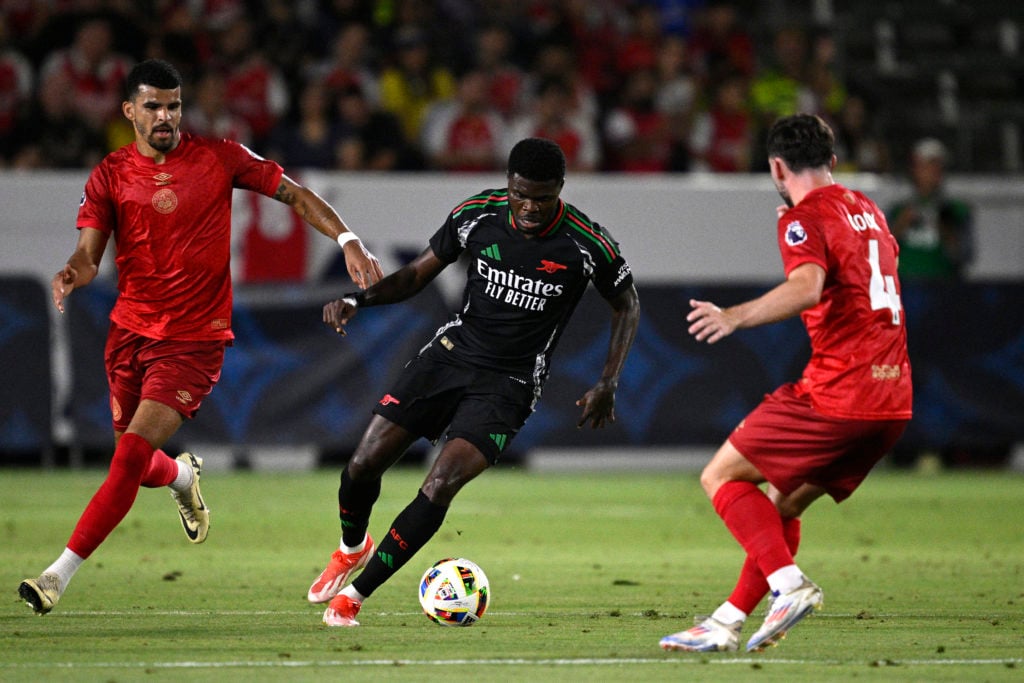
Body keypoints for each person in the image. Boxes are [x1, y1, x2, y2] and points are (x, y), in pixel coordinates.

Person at [18, 59, 383, 616]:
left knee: (129, 456)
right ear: (129, 111)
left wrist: (349, 239)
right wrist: (73, 271)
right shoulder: (111, 173)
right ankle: (182, 475)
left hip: (194, 338)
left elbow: (295, 195)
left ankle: (56, 575)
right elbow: (90, 254)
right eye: (153, 106)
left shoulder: (219, 156)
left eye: (174, 106)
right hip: (129, 333)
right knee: (135, 465)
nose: (165, 116)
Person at [308, 137, 641, 627]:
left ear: (560, 191)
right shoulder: (478, 214)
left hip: (509, 384)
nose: (528, 208)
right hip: (449, 357)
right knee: (361, 465)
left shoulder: (586, 242)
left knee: (440, 483)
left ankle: (354, 596)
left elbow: (627, 302)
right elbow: (418, 273)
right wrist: (360, 301)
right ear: (508, 184)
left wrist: (609, 380)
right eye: (520, 195)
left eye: (541, 199)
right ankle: (352, 547)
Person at [659, 114, 912, 653]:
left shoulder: (802, 220)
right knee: (782, 504)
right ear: (833, 163)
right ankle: (726, 623)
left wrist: (733, 316)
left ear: (776, 166)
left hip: (840, 392)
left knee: (720, 476)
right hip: (892, 401)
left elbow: (807, 288)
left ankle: (789, 585)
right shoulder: (866, 208)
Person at [887, 138, 973, 280]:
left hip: (943, 287)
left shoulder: (957, 210)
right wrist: (900, 226)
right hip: (904, 288)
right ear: (914, 170)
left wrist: (944, 229)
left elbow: (965, 256)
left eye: (938, 166)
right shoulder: (897, 211)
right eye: (927, 166)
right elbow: (879, 254)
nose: (933, 172)